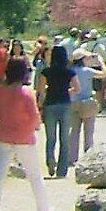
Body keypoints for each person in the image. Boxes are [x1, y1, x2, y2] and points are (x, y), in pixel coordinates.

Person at [0, 56, 51, 211]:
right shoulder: (27, 92)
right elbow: (35, 117)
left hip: (3, 136)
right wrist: (35, 127)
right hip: (24, 137)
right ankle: (43, 210)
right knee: (34, 175)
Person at [39, 45, 77, 179]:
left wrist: (39, 106)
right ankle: (62, 170)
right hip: (65, 104)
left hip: (50, 104)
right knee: (64, 138)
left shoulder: (46, 72)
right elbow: (77, 88)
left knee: (51, 138)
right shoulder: (69, 72)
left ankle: (50, 162)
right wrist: (67, 91)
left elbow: (41, 91)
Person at [69, 50, 103, 158]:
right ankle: (88, 156)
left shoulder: (70, 71)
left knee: (74, 132)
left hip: (73, 102)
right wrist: (101, 62)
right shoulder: (87, 71)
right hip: (87, 102)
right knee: (88, 132)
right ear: (82, 59)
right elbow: (104, 74)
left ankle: (72, 157)